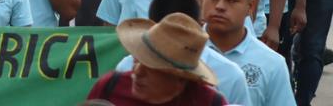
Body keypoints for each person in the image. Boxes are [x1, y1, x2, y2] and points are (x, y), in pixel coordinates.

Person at [201, 0, 293, 106]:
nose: (219, 6)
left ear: (250, 6)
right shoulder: (182, 49)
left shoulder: (272, 64)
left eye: (231, 0)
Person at [90, 12, 229, 105]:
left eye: (150, 67)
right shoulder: (110, 86)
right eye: (138, 60)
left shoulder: (209, 102)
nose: (137, 72)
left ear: (180, 79)